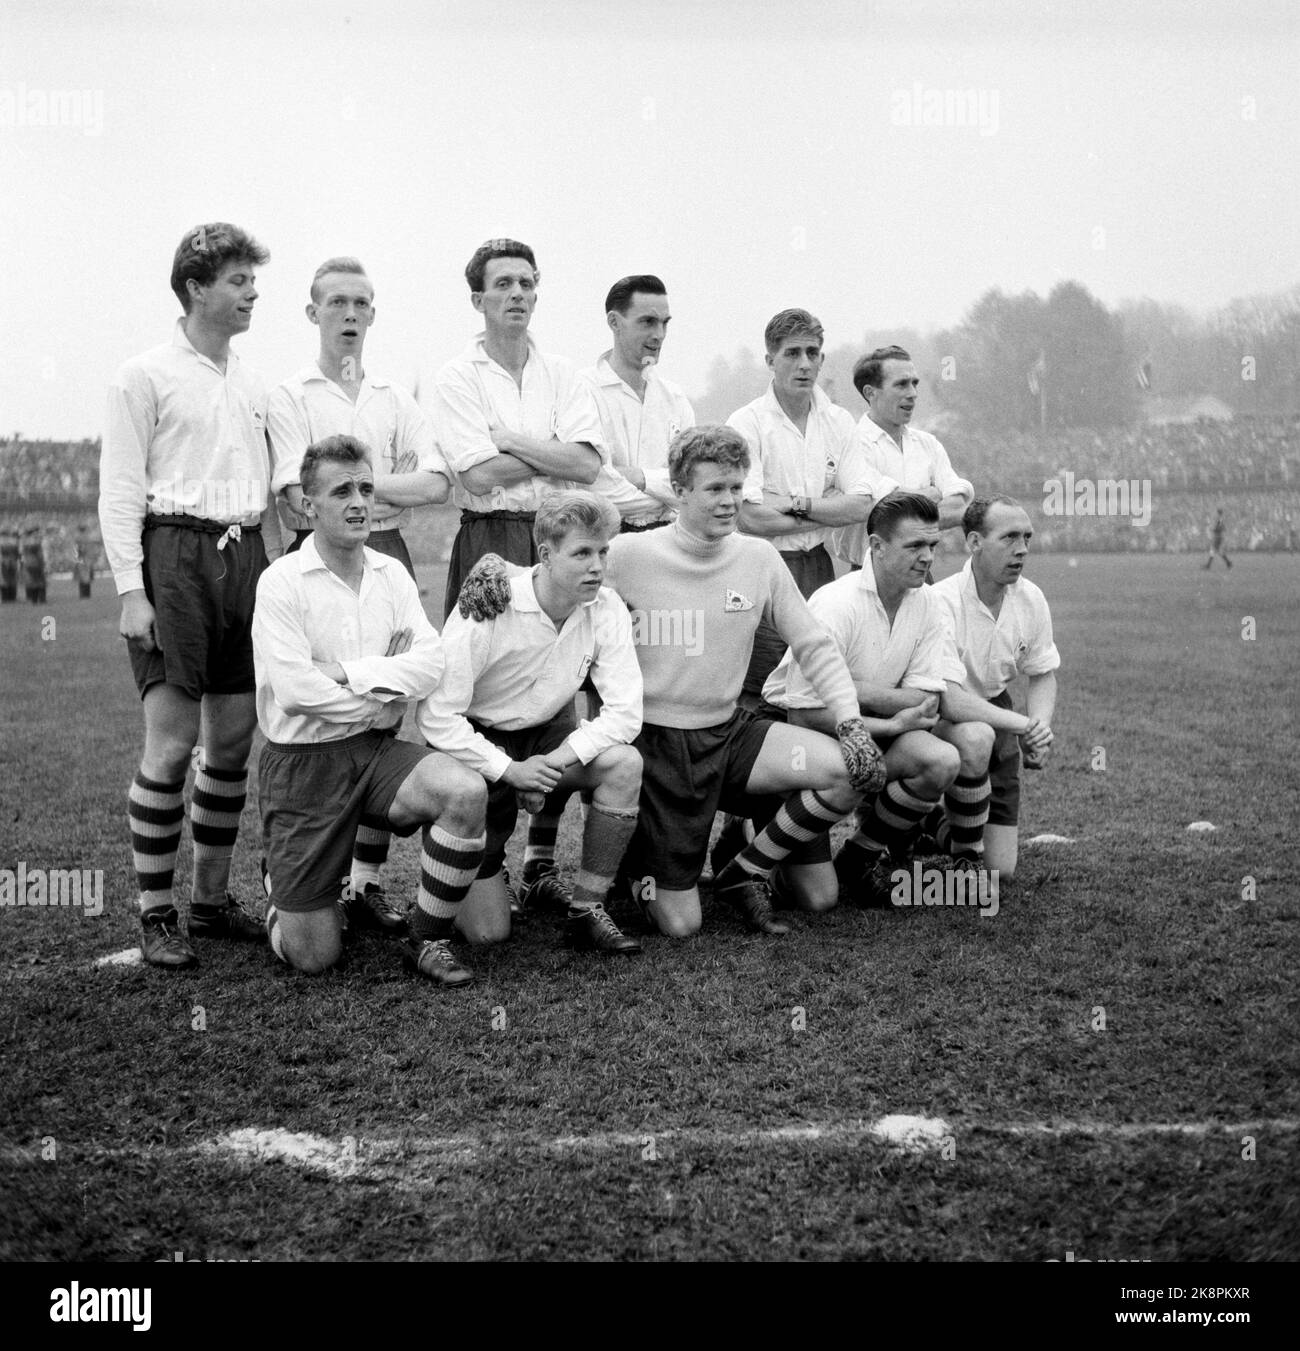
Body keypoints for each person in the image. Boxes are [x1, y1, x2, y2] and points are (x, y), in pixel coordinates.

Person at [549, 425, 882, 938]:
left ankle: (744, 869)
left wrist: (851, 722)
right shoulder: (628, 555)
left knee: (843, 774)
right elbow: (555, 579)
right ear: (679, 492)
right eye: (714, 489)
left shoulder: (759, 557)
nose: (730, 501)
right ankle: (638, 864)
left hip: (729, 734)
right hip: (655, 746)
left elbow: (813, 644)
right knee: (681, 925)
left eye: (736, 488)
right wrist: (499, 579)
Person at [99, 222, 278, 968]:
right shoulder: (143, 375)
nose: (251, 293)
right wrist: (132, 591)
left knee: (232, 742)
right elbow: (120, 491)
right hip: (172, 553)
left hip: (246, 553)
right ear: (196, 287)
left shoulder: (254, 379)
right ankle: (154, 914)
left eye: (252, 280)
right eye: (238, 281)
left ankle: (207, 903)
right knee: (171, 745)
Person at [253, 435, 487, 986]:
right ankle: (279, 891)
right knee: (314, 957)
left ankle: (427, 940)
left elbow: (432, 663)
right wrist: (382, 695)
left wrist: (351, 674)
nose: (359, 501)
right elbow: (294, 691)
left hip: (374, 752)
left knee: (465, 791)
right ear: (308, 506)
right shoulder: (280, 582)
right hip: (302, 763)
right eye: (341, 491)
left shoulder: (391, 573)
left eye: (365, 487)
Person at [267, 257, 452, 931]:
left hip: (388, 553)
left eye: (362, 303)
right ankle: (297, 872)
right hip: (318, 556)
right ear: (313, 312)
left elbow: (436, 484)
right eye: (337, 302)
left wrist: (358, 488)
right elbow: (293, 500)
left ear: (374, 314)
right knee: (323, 715)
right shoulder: (291, 395)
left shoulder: (394, 398)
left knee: (390, 706)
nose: (350, 313)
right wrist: (364, 489)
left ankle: (365, 882)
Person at [418, 491, 644, 954]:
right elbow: (437, 715)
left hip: (544, 738)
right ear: (545, 555)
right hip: (478, 741)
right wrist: (508, 769)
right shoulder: (490, 601)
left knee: (624, 763)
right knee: (488, 933)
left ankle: (587, 910)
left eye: (603, 552)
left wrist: (551, 762)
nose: (597, 566)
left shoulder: (607, 607)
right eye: (582, 553)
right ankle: (483, 866)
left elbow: (625, 713)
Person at [762, 492, 972, 906]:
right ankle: (757, 842)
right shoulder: (835, 603)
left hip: (869, 725)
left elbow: (926, 700)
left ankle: (860, 856)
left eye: (932, 545)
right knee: (818, 900)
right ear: (876, 546)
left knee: (941, 759)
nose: (928, 556)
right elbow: (802, 716)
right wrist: (890, 721)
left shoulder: (929, 603)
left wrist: (848, 685)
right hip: (801, 733)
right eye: (914, 546)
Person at [430, 238, 603, 621]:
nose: (517, 295)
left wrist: (511, 442)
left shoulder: (562, 373)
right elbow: (478, 475)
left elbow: (588, 466)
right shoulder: (457, 377)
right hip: (489, 534)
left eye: (526, 284)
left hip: (560, 536)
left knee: (564, 652)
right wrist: (556, 453)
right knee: (487, 660)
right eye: (504, 284)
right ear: (479, 300)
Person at [727, 308, 883, 699]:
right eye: (792, 353)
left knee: (817, 679)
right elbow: (751, 518)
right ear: (770, 361)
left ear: (822, 359)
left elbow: (863, 505)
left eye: (812, 353)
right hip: (763, 565)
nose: (804, 364)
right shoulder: (747, 423)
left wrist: (792, 504)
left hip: (818, 564)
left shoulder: (838, 421)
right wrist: (825, 509)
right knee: (762, 683)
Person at [930, 496, 1058, 880]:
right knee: (975, 737)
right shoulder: (941, 602)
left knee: (1001, 870)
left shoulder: (1030, 598)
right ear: (974, 542)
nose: (1022, 549)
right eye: (1009, 538)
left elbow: (1043, 672)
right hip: (936, 714)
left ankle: (934, 826)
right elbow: (950, 700)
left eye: (1027, 538)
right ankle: (955, 847)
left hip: (996, 710)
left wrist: (1038, 726)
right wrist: (1022, 726)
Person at [832, 345, 973, 571]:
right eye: (901, 384)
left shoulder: (928, 444)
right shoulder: (850, 445)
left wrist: (902, 507)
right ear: (870, 393)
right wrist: (929, 498)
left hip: (921, 573)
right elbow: (875, 508)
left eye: (914, 383)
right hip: (868, 574)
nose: (912, 393)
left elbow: (957, 506)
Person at [579, 275, 691, 533]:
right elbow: (591, 486)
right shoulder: (582, 392)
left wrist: (638, 477)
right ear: (614, 322)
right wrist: (664, 492)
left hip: (669, 541)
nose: (659, 335)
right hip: (603, 541)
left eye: (664, 323)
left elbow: (692, 483)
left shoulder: (675, 398)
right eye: (648, 322)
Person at [20, 522, 46, 603]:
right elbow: (40, 554)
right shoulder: (37, 540)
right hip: (37, 562)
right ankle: (41, 598)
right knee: (40, 580)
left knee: (31, 580)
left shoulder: (24, 540)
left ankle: (33, 598)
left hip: (27, 562)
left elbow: (21, 552)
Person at [73, 522, 97, 598]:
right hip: (86, 560)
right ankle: (86, 594)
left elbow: (77, 550)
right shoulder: (86, 538)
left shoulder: (78, 538)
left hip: (82, 560)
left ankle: (83, 594)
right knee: (86, 577)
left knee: (82, 578)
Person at [0, 525, 18, 602]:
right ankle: (12, 597)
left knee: (4, 580)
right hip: (13, 561)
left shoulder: (1, 541)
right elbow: (17, 553)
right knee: (12, 579)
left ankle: (5, 597)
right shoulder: (14, 541)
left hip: (3, 561)